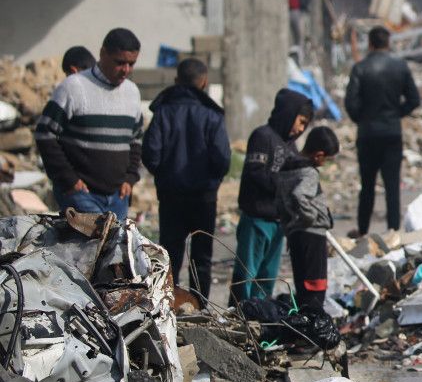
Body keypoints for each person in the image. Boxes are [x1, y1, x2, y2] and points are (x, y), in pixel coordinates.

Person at [141, 58, 230, 299]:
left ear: (176, 81)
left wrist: (164, 175)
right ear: (204, 82)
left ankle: (168, 305)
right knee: (202, 258)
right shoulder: (211, 115)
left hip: (171, 197)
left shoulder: (163, 111)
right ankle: (199, 307)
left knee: (169, 255)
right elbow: (222, 159)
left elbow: (150, 154)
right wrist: (211, 182)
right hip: (204, 198)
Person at [36, 28, 144, 220]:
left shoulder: (132, 92)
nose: (126, 70)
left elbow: (136, 140)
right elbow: (45, 134)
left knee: (113, 249)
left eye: (131, 64)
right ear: (103, 54)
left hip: (118, 196)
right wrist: (68, 180)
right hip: (81, 194)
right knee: (90, 248)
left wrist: (130, 177)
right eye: (120, 63)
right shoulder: (74, 87)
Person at [232, 89, 313, 302]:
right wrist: (286, 184)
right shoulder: (263, 136)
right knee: (247, 273)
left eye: (305, 125)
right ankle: (238, 315)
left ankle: (259, 317)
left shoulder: (290, 145)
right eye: (301, 121)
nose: (301, 128)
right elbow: (256, 172)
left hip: (279, 221)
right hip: (257, 219)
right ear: (288, 114)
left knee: (267, 276)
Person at [345, 26, 420, 237]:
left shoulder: (360, 68)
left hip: (367, 134)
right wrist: (396, 114)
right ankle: (394, 231)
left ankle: (362, 230)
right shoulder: (400, 67)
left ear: (369, 44)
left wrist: (361, 118)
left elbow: (350, 102)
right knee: (392, 186)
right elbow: (414, 99)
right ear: (388, 43)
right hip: (391, 133)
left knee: (367, 185)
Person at [276, 126, 339, 311]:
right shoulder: (309, 172)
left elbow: (280, 204)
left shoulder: (285, 170)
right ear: (319, 155)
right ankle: (314, 327)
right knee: (316, 288)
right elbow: (299, 194)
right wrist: (310, 217)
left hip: (296, 236)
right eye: (326, 159)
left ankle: (306, 325)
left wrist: (289, 229)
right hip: (313, 236)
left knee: (303, 288)